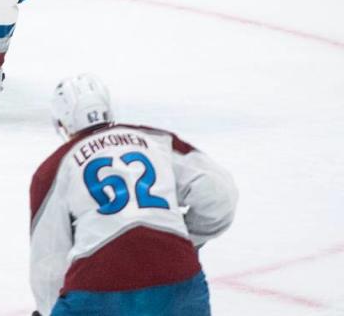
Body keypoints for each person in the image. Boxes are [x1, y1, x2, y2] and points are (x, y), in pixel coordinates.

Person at [29, 75, 238, 316]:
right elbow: (220, 195)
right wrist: (184, 239)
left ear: (62, 124)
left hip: (97, 290)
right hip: (179, 281)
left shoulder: (54, 169)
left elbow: (48, 263)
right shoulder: (156, 140)